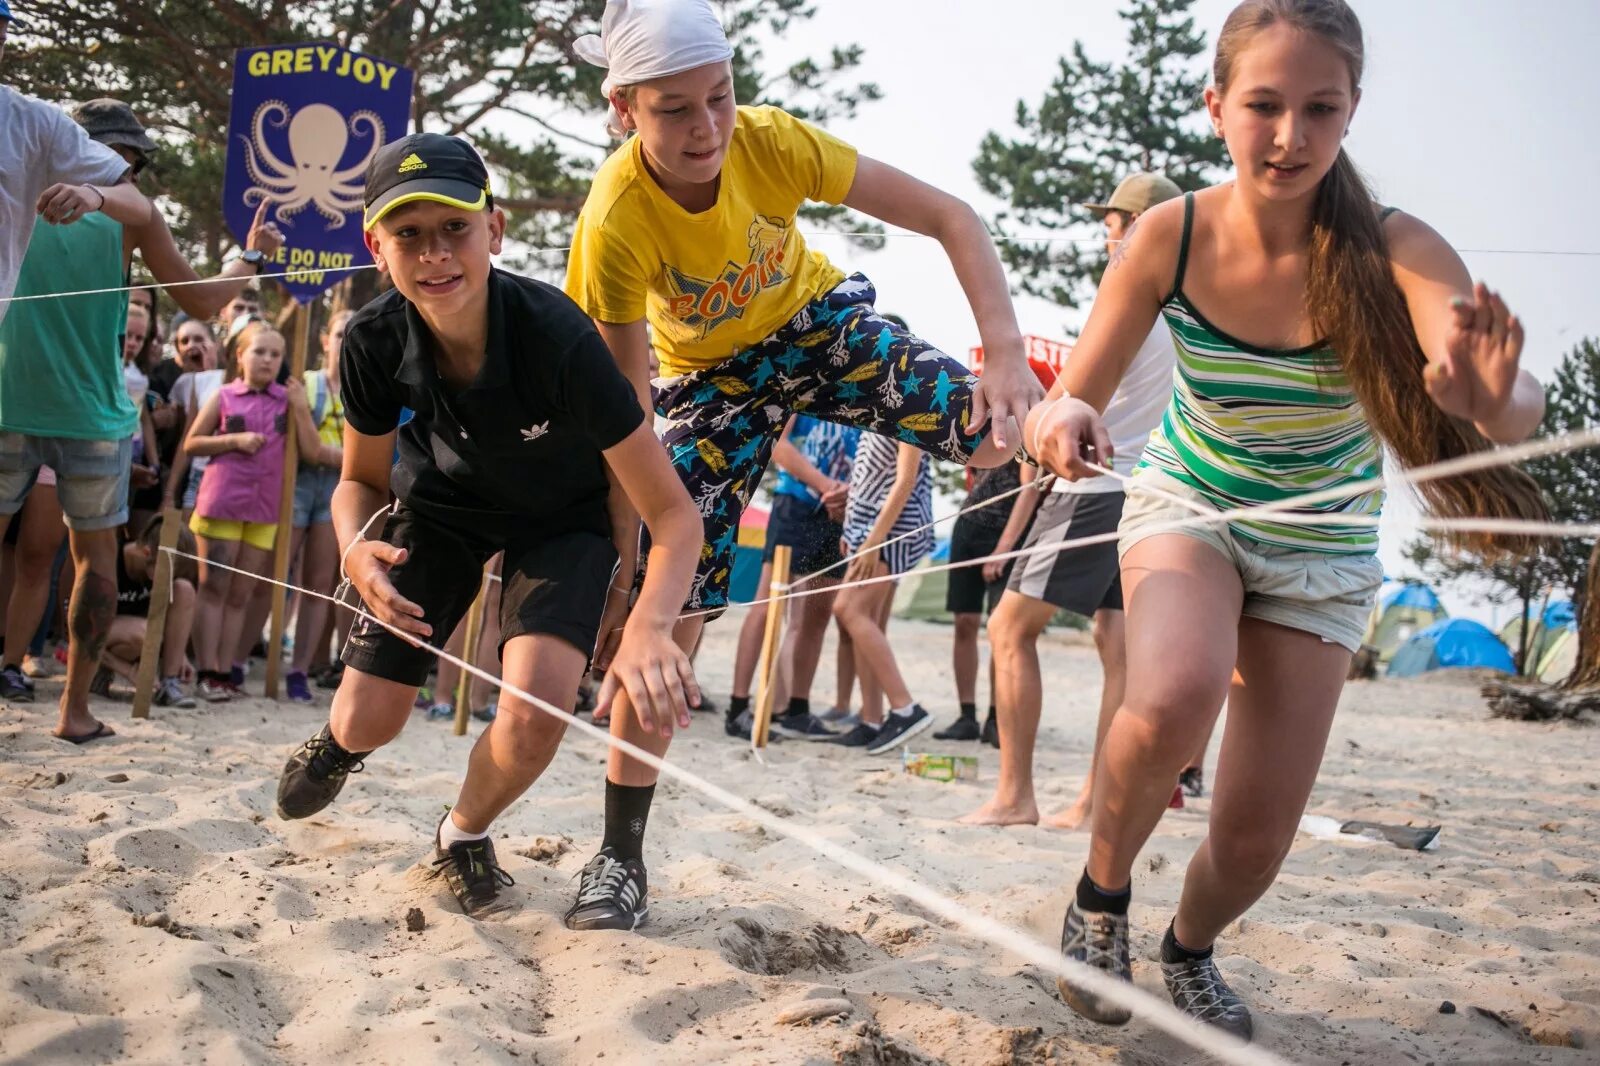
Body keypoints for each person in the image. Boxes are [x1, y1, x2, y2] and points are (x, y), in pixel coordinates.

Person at [1028, 0, 1547, 1037]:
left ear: (1352, 112)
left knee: (1258, 831)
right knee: (1171, 689)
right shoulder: (1169, 236)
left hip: (1322, 540)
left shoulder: (1391, 244)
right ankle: (1099, 898)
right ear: (1216, 106)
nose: (1289, 135)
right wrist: (1063, 416)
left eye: (1320, 108)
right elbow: (1065, 397)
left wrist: (1489, 391)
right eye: (1263, 104)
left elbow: (1510, 397)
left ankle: (1186, 948)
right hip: (1192, 501)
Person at [561, 0, 1042, 922]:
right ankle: (619, 859)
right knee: (670, 620)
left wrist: (1008, 353)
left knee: (993, 430)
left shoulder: (770, 142)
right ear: (624, 108)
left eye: (720, 98)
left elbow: (950, 215)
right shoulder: (613, 217)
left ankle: (1068, 427)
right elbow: (627, 409)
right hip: (710, 384)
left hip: (819, 326)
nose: (705, 127)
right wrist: (634, 572)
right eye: (674, 109)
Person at [271, 133, 702, 927]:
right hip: (441, 508)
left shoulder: (558, 335)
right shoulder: (368, 340)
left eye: (454, 229)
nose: (434, 254)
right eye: (409, 234)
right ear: (376, 245)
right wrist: (355, 550)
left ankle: (461, 833)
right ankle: (338, 747)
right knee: (372, 716)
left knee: (536, 708)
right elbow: (358, 482)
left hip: (563, 517)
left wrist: (638, 607)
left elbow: (674, 512)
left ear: (494, 231)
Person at [961, 172, 1186, 830]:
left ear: (1139, 226)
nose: (1104, 231)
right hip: (1154, 488)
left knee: (1008, 629)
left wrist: (1022, 421)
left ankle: (1014, 797)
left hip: (1097, 485)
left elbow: (1075, 402)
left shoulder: (1131, 294)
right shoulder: (1191, 310)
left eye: (1114, 220)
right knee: (1117, 644)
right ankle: (1093, 802)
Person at [183, 319, 318, 702]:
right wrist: (234, 440)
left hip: (265, 510)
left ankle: (227, 673)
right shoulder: (225, 396)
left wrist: (301, 407)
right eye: (259, 351)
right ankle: (207, 671)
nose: (268, 360)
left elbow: (309, 448)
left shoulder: (287, 400)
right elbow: (191, 444)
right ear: (240, 355)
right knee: (214, 588)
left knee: (241, 595)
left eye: (276, 354)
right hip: (222, 502)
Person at [724, 413, 857, 741]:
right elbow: (778, 446)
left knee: (814, 616)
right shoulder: (808, 382)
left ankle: (795, 708)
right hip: (796, 503)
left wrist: (851, 494)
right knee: (767, 605)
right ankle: (738, 706)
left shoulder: (862, 393)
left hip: (841, 512)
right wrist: (824, 485)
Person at [828, 430, 935, 753]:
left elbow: (905, 480)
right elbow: (873, 478)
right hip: (868, 529)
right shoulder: (875, 413)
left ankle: (905, 709)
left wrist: (874, 542)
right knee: (865, 621)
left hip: (893, 531)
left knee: (849, 610)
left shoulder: (908, 405)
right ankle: (872, 719)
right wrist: (853, 527)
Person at [933, 458, 1029, 745]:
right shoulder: (981, 420)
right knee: (964, 622)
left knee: (1002, 630)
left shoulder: (1032, 419)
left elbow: (1030, 489)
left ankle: (996, 718)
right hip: (969, 526)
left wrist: (1003, 549)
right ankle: (967, 716)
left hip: (1010, 534)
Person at [283, 309, 351, 703]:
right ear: (325, 339)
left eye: (352, 333)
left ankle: (298, 670)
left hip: (335, 490)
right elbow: (303, 449)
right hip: (298, 484)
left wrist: (324, 450)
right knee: (277, 577)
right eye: (340, 333)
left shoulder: (365, 387)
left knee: (320, 584)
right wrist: (335, 454)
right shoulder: (306, 383)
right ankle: (246, 662)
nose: (345, 341)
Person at [89, 513, 197, 707]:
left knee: (184, 589)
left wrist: (180, 654)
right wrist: (128, 671)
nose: (171, 577)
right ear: (147, 553)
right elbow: (76, 638)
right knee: (144, 633)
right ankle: (99, 673)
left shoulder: (159, 569)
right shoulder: (109, 562)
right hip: (98, 638)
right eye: (170, 571)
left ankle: (169, 683)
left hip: (140, 636)